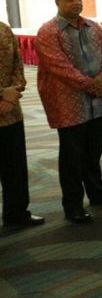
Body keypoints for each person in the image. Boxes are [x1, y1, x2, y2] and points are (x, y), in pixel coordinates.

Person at [36, 0, 102, 223]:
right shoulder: (48, 31)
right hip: (69, 103)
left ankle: (98, 193)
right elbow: (59, 67)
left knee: (93, 151)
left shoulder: (93, 27)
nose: (76, 2)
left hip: (98, 101)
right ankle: (73, 204)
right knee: (72, 156)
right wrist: (92, 83)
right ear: (57, 2)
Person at [1, 21, 45, 228]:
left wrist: (12, 95)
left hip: (10, 113)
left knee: (15, 167)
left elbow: (18, 65)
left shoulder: (3, 29)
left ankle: (17, 213)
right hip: (6, 100)